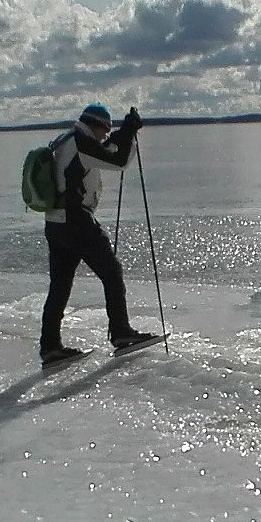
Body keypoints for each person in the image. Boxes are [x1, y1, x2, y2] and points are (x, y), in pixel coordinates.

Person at [39, 102, 155, 365]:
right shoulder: (81, 142)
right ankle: (122, 333)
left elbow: (104, 150)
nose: (105, 135)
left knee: (59, 286)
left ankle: (50, 347)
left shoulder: (67, 139)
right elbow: (119, 161)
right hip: (76, 221)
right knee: (112, 272)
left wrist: (124, 134)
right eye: (106, 130)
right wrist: (128, 134)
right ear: (97, 125)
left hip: (55, 221)